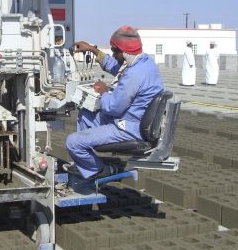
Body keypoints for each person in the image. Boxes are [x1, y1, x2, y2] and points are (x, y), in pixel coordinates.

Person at [65, 26, 164, 179]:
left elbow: (113, 108)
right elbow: (117, 68)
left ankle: (98, 170)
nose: (112, 54)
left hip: (129, 128)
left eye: (114, 51)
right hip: (136, 121)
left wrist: (104, 91)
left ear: (123, 52)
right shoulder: (144, 63)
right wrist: (93, 50)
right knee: (85, 114)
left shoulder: (133, 75)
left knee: (73, 142)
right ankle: (90, 161)